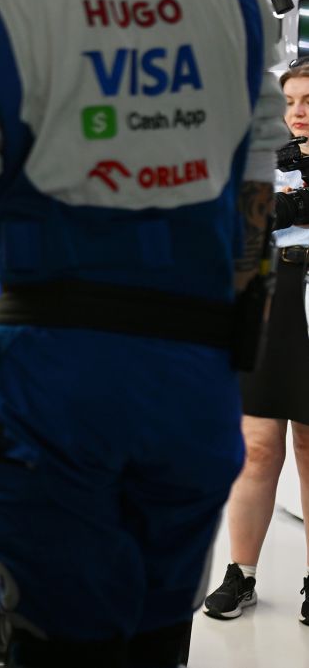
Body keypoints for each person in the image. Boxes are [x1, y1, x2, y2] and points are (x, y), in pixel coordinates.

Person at [0, 0, 286, 666]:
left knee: (60, 643)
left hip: (56, 381)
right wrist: (214, 357)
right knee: (159, 637)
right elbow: (257, 200)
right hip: (194, 375)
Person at [203, 61, 309, 625]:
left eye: (308, 99)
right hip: (270, 302)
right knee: (259, 447)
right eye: (289, 101)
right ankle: (241, 573)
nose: (297, 111)